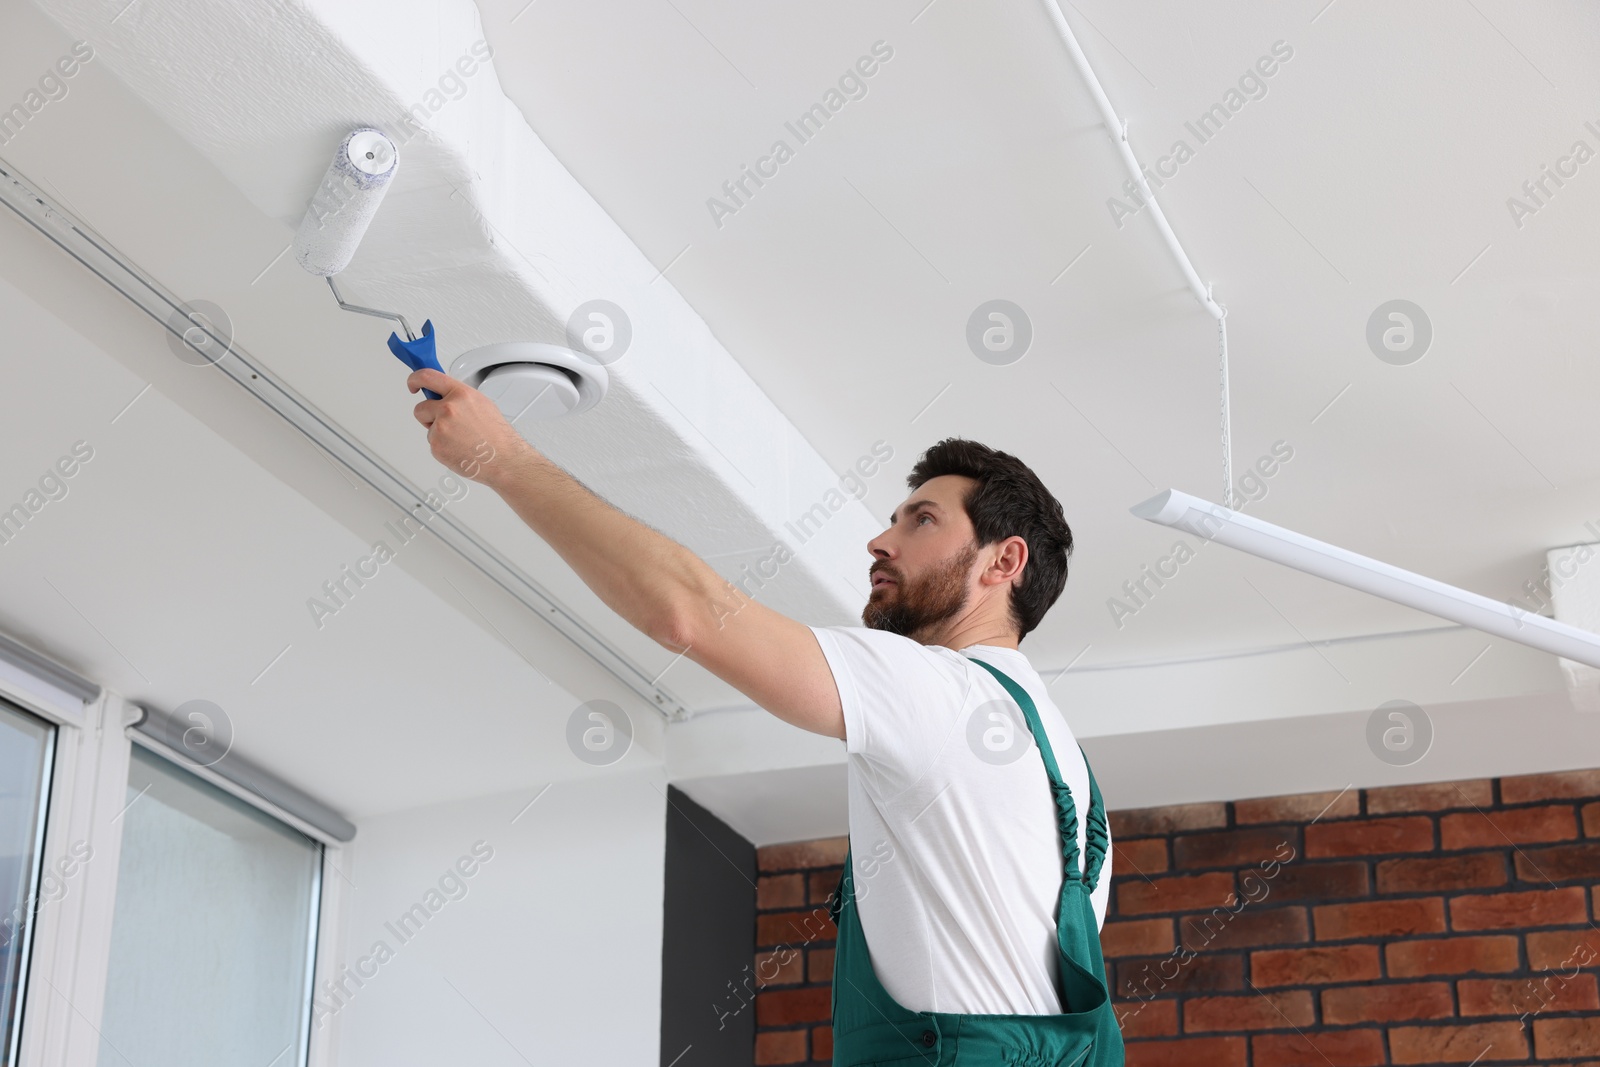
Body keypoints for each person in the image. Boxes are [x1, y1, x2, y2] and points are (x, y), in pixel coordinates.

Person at [407, 367, 1123, 1065]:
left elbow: (687, 611)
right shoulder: (1066, 770)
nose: (880, 540)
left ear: (1004, 562)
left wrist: (502, 457)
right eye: (894, 518)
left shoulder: (939, 689)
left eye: (923, 519)